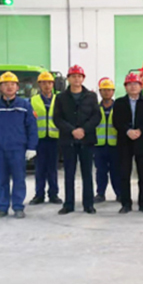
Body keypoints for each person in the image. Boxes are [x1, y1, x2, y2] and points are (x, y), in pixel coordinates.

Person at [0, 72, 38, 219]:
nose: (9, 87)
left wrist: (31, 147)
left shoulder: (24, 105)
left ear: (17, 87)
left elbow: (32, 128)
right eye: (5, 84)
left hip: (17, 149)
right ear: (0, 87)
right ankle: (2, 207)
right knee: (1, 180)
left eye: (12, 84)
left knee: (19, 179)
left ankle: (18, 207)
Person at [53, 65, 100, 215]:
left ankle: (88, 205)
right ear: (68, 78)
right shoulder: (61, 97)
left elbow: (96, 116)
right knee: (69, 174)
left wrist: (83, 130)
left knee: (87, 174)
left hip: (87, 140)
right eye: (73, 76)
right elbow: (57, 118)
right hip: (68, 140)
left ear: (83, 78)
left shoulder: (91, 96)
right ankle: (68, 205)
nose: (76, 79)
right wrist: (72, 130)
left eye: (79, 76)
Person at [113, 73, 143, 214]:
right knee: (124, 174)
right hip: (124, 142)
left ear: (141, 86)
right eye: (130, 84)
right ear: (125, 87)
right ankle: (126, 203)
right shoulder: (119, 103)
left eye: (136, 84)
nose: (133, 87)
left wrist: (140, 131)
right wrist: (127, 131)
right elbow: (116, 121)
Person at [29, 72, 62, 205]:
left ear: (53, 84)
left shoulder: (59, 99)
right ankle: (39, 195)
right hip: (39, 139)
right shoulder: (33, 100)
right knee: (40, 168)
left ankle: (53, 194)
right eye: (43, 83)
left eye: (49, 83)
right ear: (39, 85)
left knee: (53, 169)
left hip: (54, 139)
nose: (47, 85)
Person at [94, 77, 121, 203]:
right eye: (104, 90)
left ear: (113, 92)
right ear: (100, 92)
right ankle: (100, 193)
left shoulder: (119, 107)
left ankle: (119, 193)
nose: (106, 92)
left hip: (115, 145)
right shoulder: (95, 108)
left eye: (109, 90)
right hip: (99, 145)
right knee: (101, 171)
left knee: (116, 171)